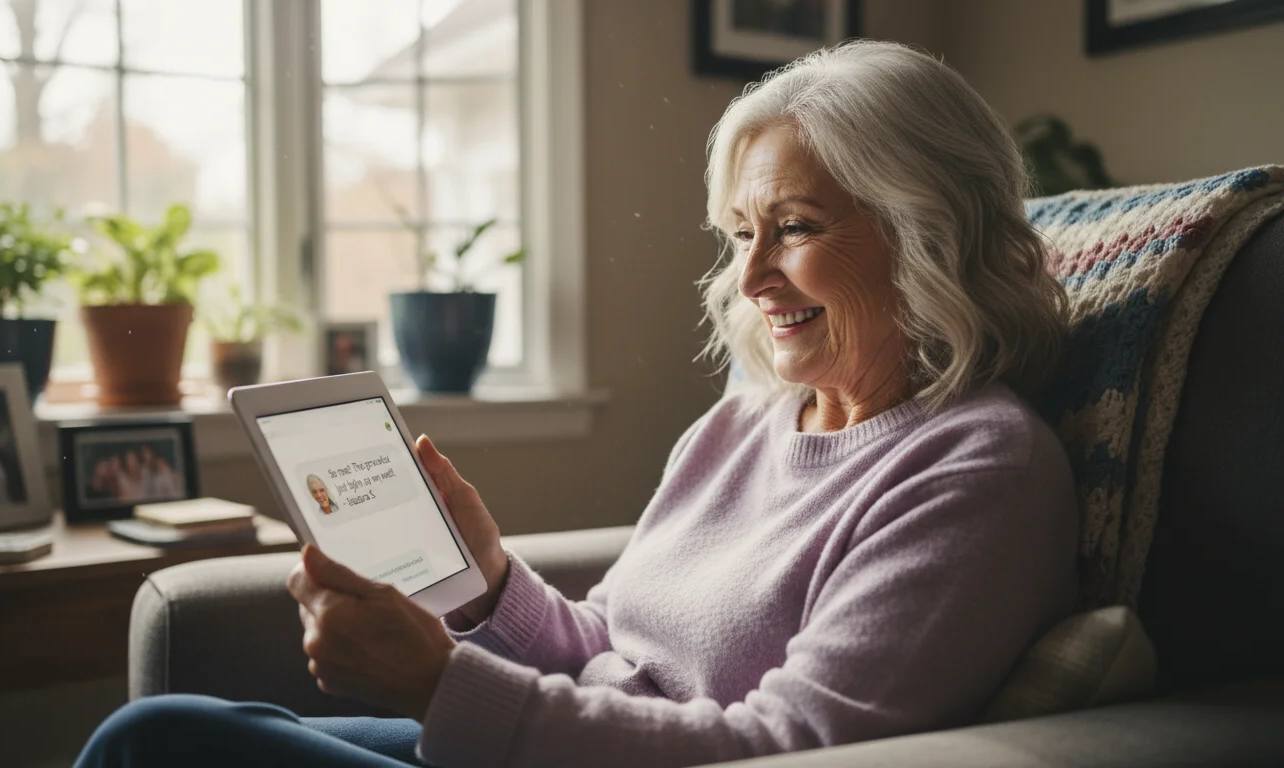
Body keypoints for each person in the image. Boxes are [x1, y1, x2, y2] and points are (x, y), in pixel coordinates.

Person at [74, 41, 1079, 768]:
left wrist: (439, 685)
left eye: (795, 227)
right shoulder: (747, 422)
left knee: (155, 741)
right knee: (201, 735)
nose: (754, 275)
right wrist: (487, 584)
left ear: (927, 232)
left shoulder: (978, 467)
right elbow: (617, 650)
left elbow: (789, 746)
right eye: (740, 235)